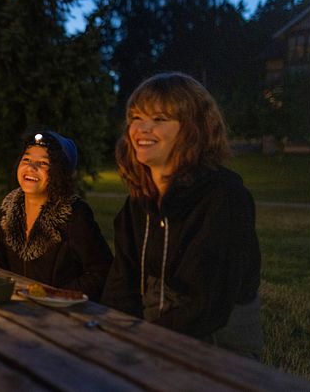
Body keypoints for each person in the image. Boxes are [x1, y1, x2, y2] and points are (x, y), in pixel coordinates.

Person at [101, 72, 263, 359]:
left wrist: (139, 342)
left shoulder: (223, 198)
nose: (142, 129)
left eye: (160, 119)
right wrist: (114, 335)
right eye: (136, 117)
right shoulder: (138, 203)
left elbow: (208, 305)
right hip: (150, 340)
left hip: (216, 351)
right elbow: (120, 285)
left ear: (193, 129)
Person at [0, 131, 112, 301]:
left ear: (59, 172)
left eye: (43, 163)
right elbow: (12, 271)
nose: (31, 167)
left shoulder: (74, 213)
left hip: (61, 316)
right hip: (18, 308)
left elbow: (102, 270)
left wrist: (55, 295)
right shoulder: (9, 209)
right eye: (27, 159)